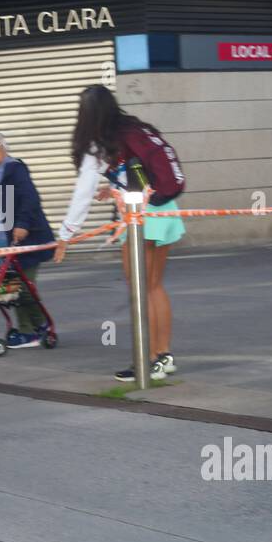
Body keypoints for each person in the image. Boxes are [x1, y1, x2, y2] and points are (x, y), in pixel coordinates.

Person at [52, 85, 185, 382]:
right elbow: (139, 172)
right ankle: (163, 357)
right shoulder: (132, 128)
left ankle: (148, 361)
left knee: (140, 289)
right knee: (154, 287)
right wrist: (112, 190)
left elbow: (80, 196)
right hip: (165, 207)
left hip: (141, 218)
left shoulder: (97, 145)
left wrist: (65, 235)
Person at [0, 131, 55, 347]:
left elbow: (30, 199)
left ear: (4, 148)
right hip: (2, 244)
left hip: (24, 240)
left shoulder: (15, 169)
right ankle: (38, 326)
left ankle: (31, 331)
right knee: (14, 288)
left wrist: (23, 224)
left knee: (23, 287)